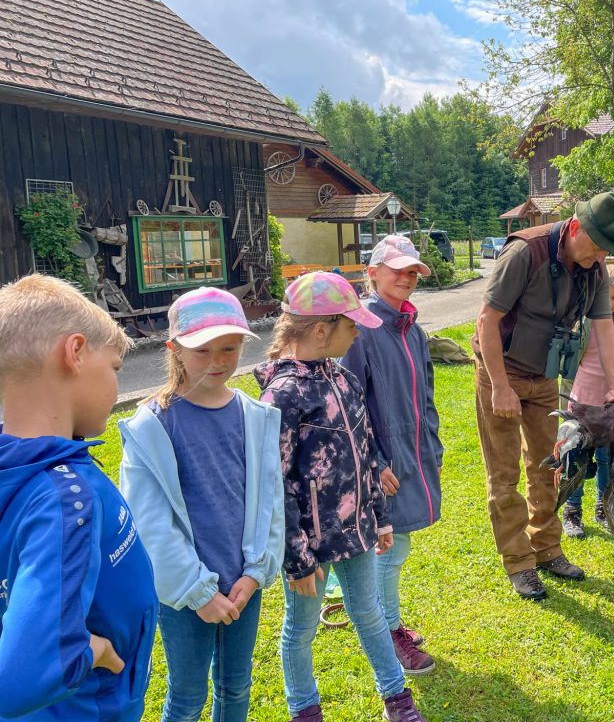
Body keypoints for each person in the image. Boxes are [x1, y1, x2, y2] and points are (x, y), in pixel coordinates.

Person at [255, 272, 428, 722]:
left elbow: (366, 453)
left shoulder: (344, 379)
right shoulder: (283, 395)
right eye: (350, 325)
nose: (357, 332)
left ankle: (397, 700)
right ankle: (305, 711)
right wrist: (298, 558)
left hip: (357, 530)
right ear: (319, 329)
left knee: (368, 612)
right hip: (309, 546)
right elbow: (276, 482)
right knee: (301, 628)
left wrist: (380, 517)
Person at [119, 287, 285, 722]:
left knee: (237, 686)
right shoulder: (153, 425)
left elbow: (268, 499)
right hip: (184, 591)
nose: (218, 361)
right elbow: (150, 522)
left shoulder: (254, 415)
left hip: (241, 584)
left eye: (229, 348)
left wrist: (255, 572)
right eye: (202, 350)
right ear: (174, 349)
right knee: (187, 696)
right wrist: (197, 591)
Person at [0, 274, 157, 722]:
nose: (115, 384)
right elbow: (17, 679)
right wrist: (94, 651)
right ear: (75, 353)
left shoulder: (18, 467)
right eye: (115, 368)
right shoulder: (66, 496)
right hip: (86, 709)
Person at [472, 191, 614, 601]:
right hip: (502, 370)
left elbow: (605, 330)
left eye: (607, 251)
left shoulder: (595, 268)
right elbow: (485, 322)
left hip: (544, 377)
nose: (600, 257)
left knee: (548, 466)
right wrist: (500, 386)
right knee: (505, 473)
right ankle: (519, 562)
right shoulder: (524, 253)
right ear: (576, 228)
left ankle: (546, 548)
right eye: (597, 246)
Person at [342, 235, 442, 674]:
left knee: (397, 545)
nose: (406, 277)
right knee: (389, 546)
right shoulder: (360, 330)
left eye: (412, 271)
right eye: (397, 268)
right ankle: (385, 633)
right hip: (383, 462)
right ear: (372, 272)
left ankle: (389, 622)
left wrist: (433, 444)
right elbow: (348, 404)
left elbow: (427, 393)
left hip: (413, 454)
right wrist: (375, 462)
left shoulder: (413, 329)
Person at [561, 264, 614, 538]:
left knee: (606, 459)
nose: (611, 303)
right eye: (605, 298)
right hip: (582, 399)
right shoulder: (583, 319)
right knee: (576, 456)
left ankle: (603, 508)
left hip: (610, 403)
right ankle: (572, 510)